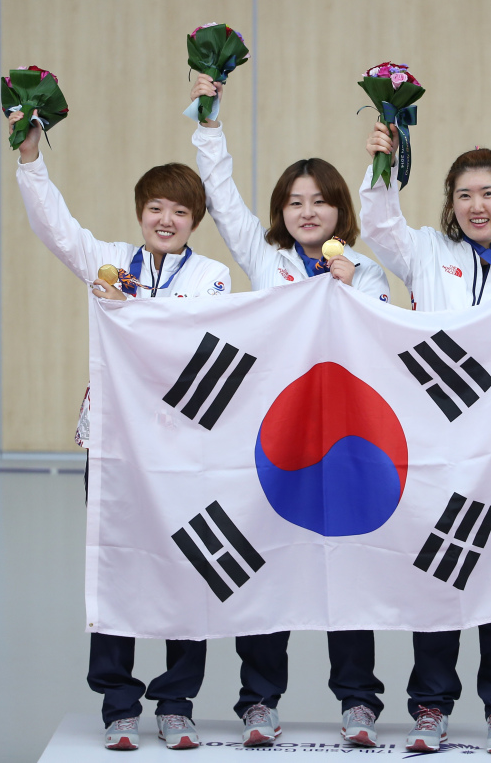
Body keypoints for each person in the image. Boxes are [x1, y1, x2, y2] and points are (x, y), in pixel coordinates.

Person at [10, 108, 231, 751]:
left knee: (187, 565)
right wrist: (30, 158)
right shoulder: (105, 261)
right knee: (116, 564)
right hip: (112, 441)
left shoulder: (212, 276)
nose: (166, 220)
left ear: (195, 222)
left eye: (180, 212)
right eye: (156, 208)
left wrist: (132, 310)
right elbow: (54, 226)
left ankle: (177, 700)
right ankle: (117, 701)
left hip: (185, 446)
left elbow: (196, 349)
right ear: (141, 212)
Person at [188, 73, 390, 749]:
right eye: (296, 202)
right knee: (266, 564)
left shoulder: (363, 272)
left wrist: (351, 297)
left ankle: (358, 700)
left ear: (339, 211)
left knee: (346, 568)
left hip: (346, 445)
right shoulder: (264, 255)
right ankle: (258, 700)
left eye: (321, 201)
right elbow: (219, 195)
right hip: (275, 440)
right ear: (281, 210)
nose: (308, 212)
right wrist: (209, 119)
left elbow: (386, 346)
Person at [360, 121, 491, 755]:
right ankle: (430, 705)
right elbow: (377, 223)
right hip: (435, 450)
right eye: (464, 196)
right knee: (438, 573)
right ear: (449, 205)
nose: (477, 206)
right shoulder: (425, 252)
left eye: (489, 193)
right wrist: (381, 164)